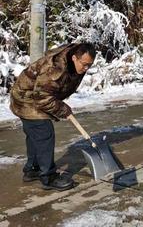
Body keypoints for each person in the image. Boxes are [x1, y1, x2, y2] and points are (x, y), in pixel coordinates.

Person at [10, 43, 96, 191]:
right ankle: (48, 177)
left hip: (33, 95)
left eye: (90, 65)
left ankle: (32, 169)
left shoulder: (72, 59)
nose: (86, 69)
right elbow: (42, 97)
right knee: (44, 133)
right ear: (75, 58)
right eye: (84, 64)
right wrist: (62, 109)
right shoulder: (55, 70)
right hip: (27, 98)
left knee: (35, 135)